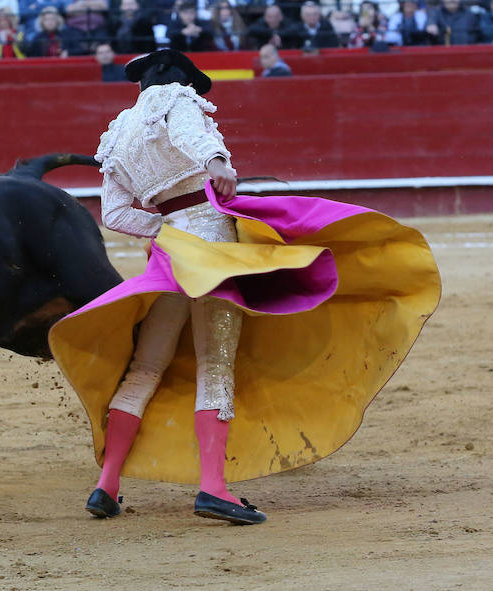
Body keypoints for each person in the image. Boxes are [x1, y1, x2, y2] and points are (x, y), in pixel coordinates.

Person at [47, 48, 441, 523]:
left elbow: (114, 214)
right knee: (215, 364)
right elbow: (193, 137)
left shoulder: (118, 134)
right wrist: (216, 164)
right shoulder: (178, 100)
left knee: (145, 368)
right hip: (212, 244)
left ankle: (106, 486)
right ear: (182, 81)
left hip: (171, 253)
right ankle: (214, 489)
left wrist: (171, 231)